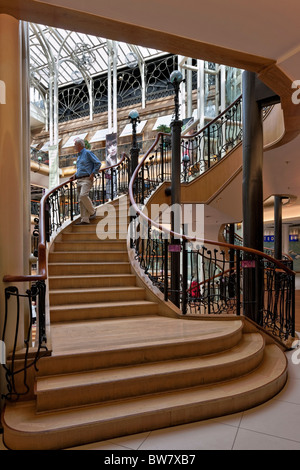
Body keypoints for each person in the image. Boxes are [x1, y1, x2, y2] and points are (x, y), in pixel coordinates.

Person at [71, 138, 102, 225]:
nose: (74, 147)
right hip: (79, 179)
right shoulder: (79, 156)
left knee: (83, 195)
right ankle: (84, 219)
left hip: (87, 179)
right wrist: (75, 175)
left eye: (75, 145)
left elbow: (98, 163)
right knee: (81, 200)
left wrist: (93, 173)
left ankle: (93, 212)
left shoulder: (87, 153)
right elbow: (81, 169)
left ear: (79, 145)